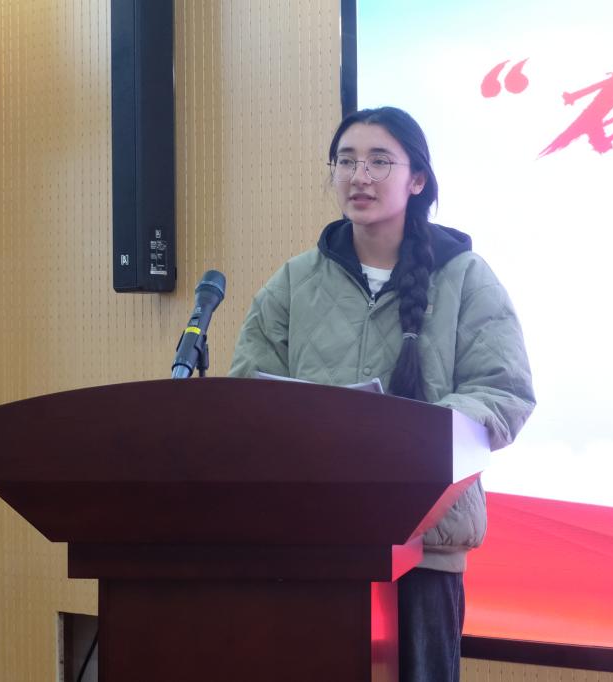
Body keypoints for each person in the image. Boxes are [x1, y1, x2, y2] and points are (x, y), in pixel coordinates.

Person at [228, 106, 535, 682]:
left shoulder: (466, 276)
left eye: (378, 161)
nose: (359, 176)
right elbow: (248, 390)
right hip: (310, 543)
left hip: (425, 543)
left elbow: (503, 391)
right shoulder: (294, 281)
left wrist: (413, 439)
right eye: (345, 161)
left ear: (417, 180)